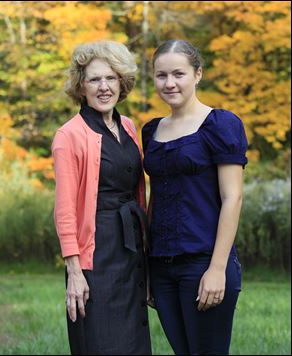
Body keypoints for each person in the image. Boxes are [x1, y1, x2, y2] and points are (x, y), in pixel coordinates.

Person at [142, 39, 248, 355]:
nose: (169, 83)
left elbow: (233, 198)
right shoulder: (151, 131)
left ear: (197, 74)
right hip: (161, 266)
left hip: (204, 262)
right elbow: (155, 197)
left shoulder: (221, 124)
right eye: (161, 75)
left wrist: (217, 269)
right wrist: (148, 269)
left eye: (179, 74)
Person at [52, 40, 152, 355]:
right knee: (100, 342)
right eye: (95, 79)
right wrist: (75, 273)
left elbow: (138, 191)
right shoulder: (69, 135)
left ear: (122, 82)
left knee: (133, 343)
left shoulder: (129, 127)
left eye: (111, 78)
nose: (104, 87)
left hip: (131, 247)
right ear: (81, 87)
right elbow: (65, 210)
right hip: (95, 255)